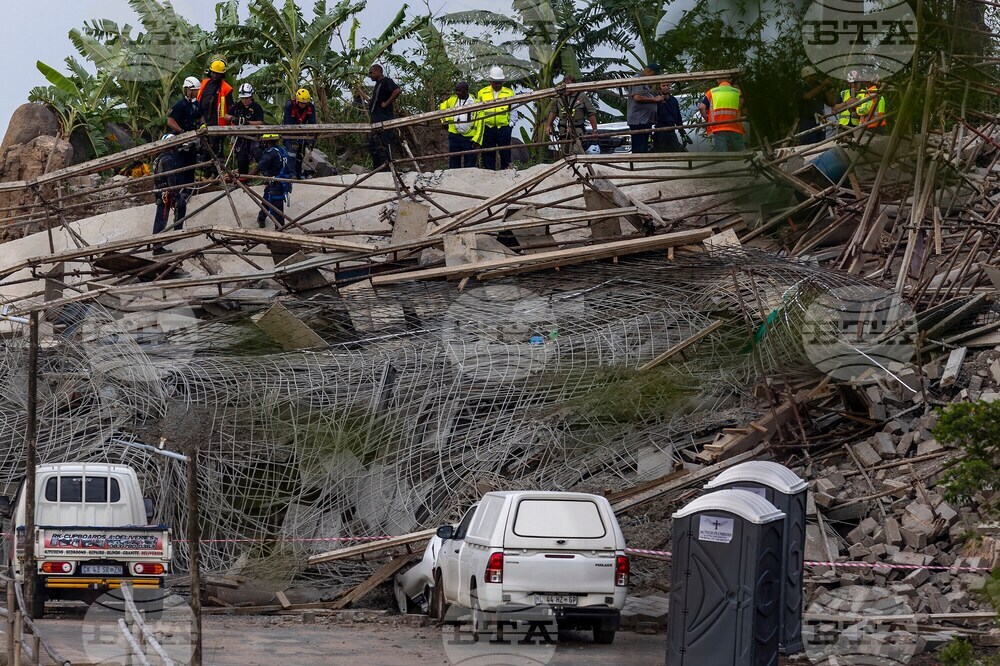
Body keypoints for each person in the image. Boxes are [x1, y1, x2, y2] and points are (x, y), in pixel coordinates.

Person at [164, 76, 202, 203]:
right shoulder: (180, 105)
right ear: (188, 90)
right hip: (181, 142)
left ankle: (189, 189)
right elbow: (170, 121)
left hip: (193, 140)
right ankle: (180, 191)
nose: (195, 93)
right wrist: (181, 132)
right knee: (181, 165)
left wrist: (202, 128)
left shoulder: (197, 105)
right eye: (194, 90)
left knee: (191, 166)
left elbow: (201, 119)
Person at [151, 135, 189, 254]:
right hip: (165, 192)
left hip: (160, 190)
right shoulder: (168, 159)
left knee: (180, 205)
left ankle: (176, 231)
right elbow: (170, 177)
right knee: (161, 218)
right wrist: (175, 193)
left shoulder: (160, 157)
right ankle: (157, 246)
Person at [544, 75, 598, 156]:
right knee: (565, 152)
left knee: (577, 151)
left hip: (577, 129)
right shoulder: (559, 97)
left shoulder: (582, 96)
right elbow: (553, 112)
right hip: (563, 130)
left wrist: (594, 130)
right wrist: (548, 126)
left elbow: (591, 114)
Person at [476, 67, 517, 169]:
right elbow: (477, 110)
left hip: (503, 128)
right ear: (490, 81)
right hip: (487, 127)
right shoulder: (482, 92)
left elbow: (513, 109)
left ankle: (505, 171)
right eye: (495, 83)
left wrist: (511, 124)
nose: (497, 85)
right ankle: (489, 173)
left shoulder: (509, 93)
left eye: (499, 82)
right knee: (488, 153)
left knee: (505, 152)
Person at [197, 59, 234, 166]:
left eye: (218, 74)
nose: (215, 76)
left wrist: (232, 125)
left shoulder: (226, 88)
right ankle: (206, 172)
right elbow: (198, 102)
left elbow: (231, 107)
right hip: (203, 121)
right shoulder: (204, 84)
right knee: (204, 151)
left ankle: (217, 172)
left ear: (222, 75)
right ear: (210, 72)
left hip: (218, 125)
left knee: (217, 152)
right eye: (214, 73)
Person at [251, 134, 293, 229]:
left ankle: (280, 229)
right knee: (266, 199)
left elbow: (258, 168)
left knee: (277, 209)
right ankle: (261, 218)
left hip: (276, 183)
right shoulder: (282, 150)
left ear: (267, 141)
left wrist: (244, 178)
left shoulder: (270, 153)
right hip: (281, 181)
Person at [439, 81, 482, 169]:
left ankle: (469, 176)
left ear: (466, 90)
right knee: (454, 160)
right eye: (456, 90)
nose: (457, 93)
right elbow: (443, 106)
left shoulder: (475, 102)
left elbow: (480, 122)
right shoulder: (453, 100)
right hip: (454, 135)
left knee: (470, 161)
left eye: (459, 91)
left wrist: (477, 139)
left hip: (469, 137)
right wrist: (444, 120)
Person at [367, 64, 401, 170]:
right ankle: (378, 169)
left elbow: (397, 91)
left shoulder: (386, 81)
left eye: (371, 72)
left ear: (378, 71)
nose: (370, 75)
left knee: (385, 143)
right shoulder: (378, 84)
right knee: (374, 144)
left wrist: (386, 103)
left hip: (384, 119)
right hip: (376, 120)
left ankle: (389, 168)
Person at [698, 78, 746, 152]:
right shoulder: (738, 92)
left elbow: (701, 107)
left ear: (717, 80)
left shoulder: (712, 92)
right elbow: (741, 107)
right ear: (730, 80)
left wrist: (707, 119)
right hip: (735, 126)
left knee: (723, 155)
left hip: (719, 127)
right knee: (741, 154)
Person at [230, 83, 265, 176]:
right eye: (242, 98)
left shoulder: (256, 107)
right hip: (240, 138)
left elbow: (260, 122)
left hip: (253, 138)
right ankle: (243, 179)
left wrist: (248, 122)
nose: (244, 101)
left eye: (246, 98)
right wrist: (233, 118)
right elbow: (226, 115)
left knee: (258, 154)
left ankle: (265, 175)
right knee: (241, 159)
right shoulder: (237, 106)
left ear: (251, 97)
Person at [282, 88, 317, 179]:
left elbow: (312, 122)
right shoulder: (290, 105)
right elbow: (287, 122)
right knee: (292, 153)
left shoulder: (310, 107)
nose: (303, 105)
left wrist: (311, 139)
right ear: (297, 100)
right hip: (289, 133)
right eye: (301, 103)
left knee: (300, 155)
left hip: (302, 133)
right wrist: (292, 137)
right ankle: (291, 174)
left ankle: (298, 175)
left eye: (305, 103)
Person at [627, 64, 662, 154]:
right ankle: (638, 162)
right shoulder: (638, 79)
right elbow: (637, 97)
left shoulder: (644, 80)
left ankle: (642, 161)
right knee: (639, 148)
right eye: (654, 75)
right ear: (650, 71)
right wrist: (654, 99)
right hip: (638, 120)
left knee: (644, 147)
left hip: (644, 119)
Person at [798, 66, 836, 145]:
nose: (814, 78)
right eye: (811, 76)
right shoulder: (801, 88)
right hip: (808, 123)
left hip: (820, 122)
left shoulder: (818, 88)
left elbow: (831, 103)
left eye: (814, 75)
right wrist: (823, 84)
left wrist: (826, 89)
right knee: (810, 146)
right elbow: (808, 96)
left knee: (821, 145)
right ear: (805, 77)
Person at [653, 81, 688, 152]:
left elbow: (678, 117)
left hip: (672, 131)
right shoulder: (656, 100)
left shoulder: (673, 100)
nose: (666, 87)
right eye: (663, 85)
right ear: (659, 88)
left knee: (676, 152)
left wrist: (682, 133)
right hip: (660, 132)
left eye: (667, 85)